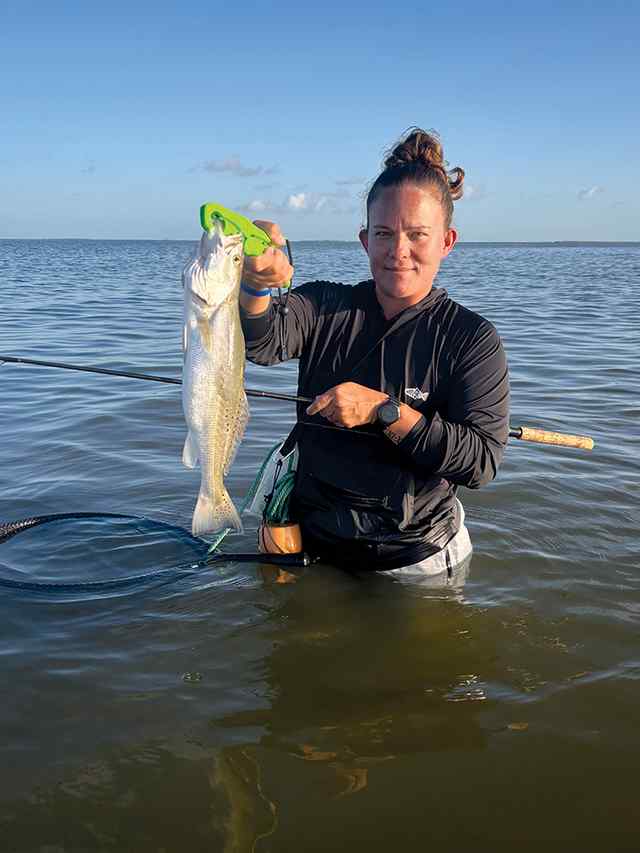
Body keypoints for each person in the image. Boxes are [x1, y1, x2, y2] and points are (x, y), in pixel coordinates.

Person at [239, 127, 509, 580]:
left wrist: (385, 412)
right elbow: (261, 341)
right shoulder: (324, 305)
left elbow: (480, 462)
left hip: (415, 561)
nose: (398, 251)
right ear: (365, 240)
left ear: (447, 241)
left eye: (417, 235)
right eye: (384, 234)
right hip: (313, 543)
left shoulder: (471, 339)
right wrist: (254, 284)